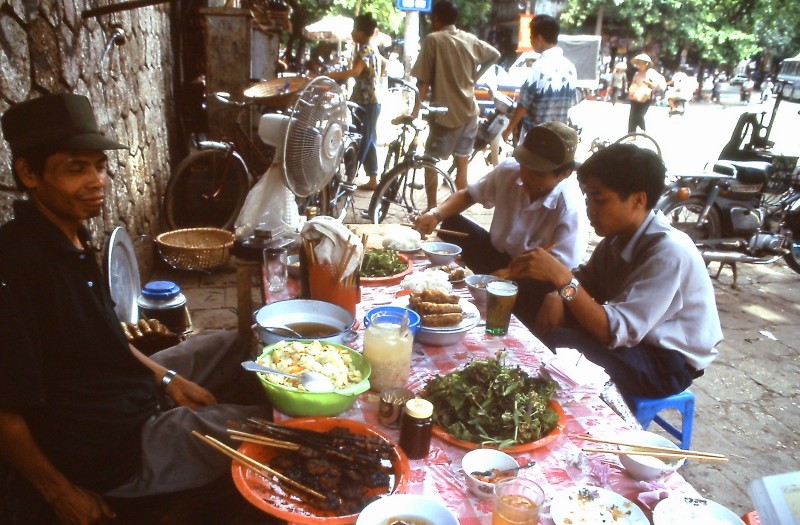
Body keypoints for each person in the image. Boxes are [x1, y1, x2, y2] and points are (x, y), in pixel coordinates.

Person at [0, 93, 271, 524]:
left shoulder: (72, 237)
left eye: (99, 166)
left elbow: (105, 337)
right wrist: (61, 493)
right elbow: (6, 411)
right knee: (268, 433)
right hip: (111, 446)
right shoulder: (17, 268)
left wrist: (166, 378)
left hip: (132, 392)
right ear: (28, 173)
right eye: (76, 169)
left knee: (233, 345)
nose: (97, 181)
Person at [506, 143, 722, 398]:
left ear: (638, 200)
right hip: (634, 339)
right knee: (531, 292)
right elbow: (587, 282)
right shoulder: (618, 237)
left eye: (599, 199)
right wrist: (555, 293)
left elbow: (611, 332)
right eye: (587, 198)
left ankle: (549, 406)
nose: (590, 209)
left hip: (667, 362)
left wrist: (561, 279)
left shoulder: (669, 252)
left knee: (563, 343)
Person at [413, 121, 589, 329]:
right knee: (452, 222)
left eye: (538, 173)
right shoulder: (508, 171)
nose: (527, 175)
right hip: (497, 256)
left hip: (533, 277)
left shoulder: (569, 208)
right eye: (525, 165)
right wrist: (435, 214)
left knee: (534, 299)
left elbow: (565, 272)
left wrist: (514, 275)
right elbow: (469, 195)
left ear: (564, 173)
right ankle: (476, 281)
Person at [410, 0, 500, 210]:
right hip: (469, 111)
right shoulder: (468, 39)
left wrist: (414, 111)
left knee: (429, 162)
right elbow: (494, 54)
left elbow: (423, 82)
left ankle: (432, 208)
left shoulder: (434, 40)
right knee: (462, 164)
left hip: (445, 113)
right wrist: (474, 77)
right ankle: (455, 212)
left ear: (437, 19)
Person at [325, 13, 383, 191]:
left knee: (362, 139)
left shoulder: (365, 49)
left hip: (367, 102)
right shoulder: (370, 48)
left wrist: (328, 76)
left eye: (354, 29)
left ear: (360, 31)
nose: (352, 33)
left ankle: (353, 178)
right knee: (368, 138)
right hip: (368, 101)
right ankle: (371, 177)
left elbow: (355, 72)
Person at [503, 15, 578, 144]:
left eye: (531, 36)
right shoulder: (570, 67)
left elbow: (523, 105)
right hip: (558, 141)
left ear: (539, 38)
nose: (531, 41)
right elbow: (572, 103)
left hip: (535, 139)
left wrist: (509, 129)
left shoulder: (538, 67)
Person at [626, 53, 665, 133]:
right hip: (635, 96)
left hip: (645, 97)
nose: (640, 66)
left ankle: (643, 130)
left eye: (641, 64)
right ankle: (631, 133)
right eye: (638, 64)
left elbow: (659, 84)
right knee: (632, 115)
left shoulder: (652, 73)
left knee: (640, 115)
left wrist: (649, 83)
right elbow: (633, 83)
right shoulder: (637, 74)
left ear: (646, 64)